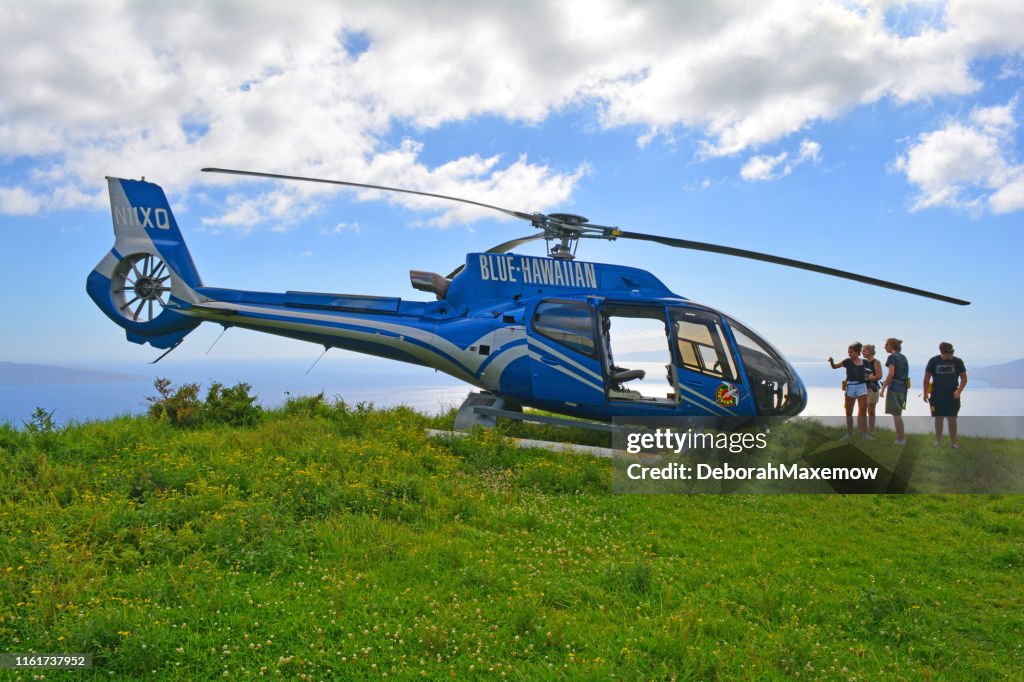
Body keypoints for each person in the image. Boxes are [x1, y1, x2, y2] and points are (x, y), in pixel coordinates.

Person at [923, 341, 967, 448]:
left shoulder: (958, 361)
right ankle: (938, 441)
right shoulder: (933, 361)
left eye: (951, 353)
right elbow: (926, 378)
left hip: (952, 394)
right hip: (937, 394)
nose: (950, 356)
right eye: (948, 354)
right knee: (938, 418)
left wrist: (959, 391)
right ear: (942, 352)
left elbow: (964, 378)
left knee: (952, 418)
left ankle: (954, 443)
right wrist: (925, 393)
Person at [828, 342, 871, 440]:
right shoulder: (847, 361)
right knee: (848, 412)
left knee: (863, 412)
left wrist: (869, 377)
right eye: (848, 352)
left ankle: (864, 435)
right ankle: (849, 434)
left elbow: (869, 374)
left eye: (851, 352)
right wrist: (831, 362)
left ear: (857, 352)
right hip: (850, 387)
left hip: (862, 387)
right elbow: (834, 367)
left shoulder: (865, 362)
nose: (849, 354)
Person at [879, 337, 909, 445]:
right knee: (898, 413)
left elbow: (891, 374)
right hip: (903, 387)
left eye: (886, 344)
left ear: (891, 345)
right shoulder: (903, 357)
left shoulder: (892, 357)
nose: (884, 347)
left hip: (894, 387)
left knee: (896, 414)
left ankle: (901, 439)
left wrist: (883, 388)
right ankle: (901, 438)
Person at [862, 344, 882, 433]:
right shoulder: (862, 362)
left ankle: (872, 429)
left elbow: (879, 375)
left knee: (871, 410)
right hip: (863, 388)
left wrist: (870, 378)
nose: (862, 352)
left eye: (864, 350)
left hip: (872, 388)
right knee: (862, 409)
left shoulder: (876, 362)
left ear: (870, 352)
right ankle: (863, 429)